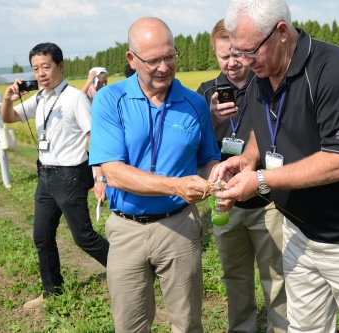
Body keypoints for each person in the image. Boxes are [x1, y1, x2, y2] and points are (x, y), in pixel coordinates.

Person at [210, 0, 339, 332]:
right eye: (236, 51)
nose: (241, 61)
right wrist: (248, 158)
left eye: (249, 51)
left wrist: (261, 179)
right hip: (297, 230)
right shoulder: (259, 76)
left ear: (281, 32)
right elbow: (262, 129)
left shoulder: (333, 70)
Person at [89, 17, 221, 333]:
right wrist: (176, 185)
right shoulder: (111, 99)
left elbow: (207, 161)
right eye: (153, 60)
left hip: (180, 226)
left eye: (170, 56)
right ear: (132, 59)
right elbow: (115, 173)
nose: (163, 67)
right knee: (130, 325)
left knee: (188, 323)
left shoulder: (195, 103)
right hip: (126, 229)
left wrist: (219, 176)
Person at [0, 42, 110, 310]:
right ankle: (52, 290)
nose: (40, 73)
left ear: (60, 66)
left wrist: (100, 178)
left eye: (46, 67)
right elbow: (10, 117)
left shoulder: (75, 98)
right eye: (36, 68)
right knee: (42, 236)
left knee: (83, 236)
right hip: (46, 176)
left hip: (70, 175)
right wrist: (6, 99)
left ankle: (129, 268)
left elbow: (93, 137)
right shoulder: (39, 98)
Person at [197, 19, 288, 333]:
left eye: (238, 54)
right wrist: (207, 117)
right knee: (234, 277)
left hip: (267, 199)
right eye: (224, 56)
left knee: (276, 277)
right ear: (215, 55)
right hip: (225, 201)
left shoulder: (268, 85)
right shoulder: (205, 93)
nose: (232, 62)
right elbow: (192, 143)